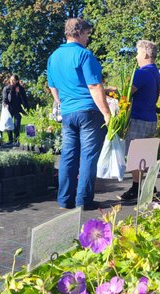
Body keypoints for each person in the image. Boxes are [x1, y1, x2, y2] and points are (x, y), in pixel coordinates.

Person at [47, 18, 111, 210]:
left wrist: (63, 104)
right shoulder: (85, 55)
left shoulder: (54, 57)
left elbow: (52, 87)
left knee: (68, 155)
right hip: (89, 112)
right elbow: (93, 85)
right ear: (80, 32)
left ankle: (64, 200)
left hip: (68, 112)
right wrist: (106, 112)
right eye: (87, 34)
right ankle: (83, 201)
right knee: (88, 156)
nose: (88, 39)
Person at [117, 40, 160, 201]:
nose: (136, 57)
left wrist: (109, 92)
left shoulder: (142, 73)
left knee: (134, 154)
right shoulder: (156, 74)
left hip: (138, 118)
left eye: (137, 53)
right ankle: (151, 187)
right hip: (150, 118)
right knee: (146, 154)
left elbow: (127, 94)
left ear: (145, 54)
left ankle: (136, 188)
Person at [2, 74, 28, 146]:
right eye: (11, 80)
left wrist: (19, 93)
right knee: (9, 124)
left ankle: (16, 140)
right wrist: (5, 103)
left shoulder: (21, 89)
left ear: (17, 81)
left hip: (18, 108)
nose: (12, 81)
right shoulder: (6, 88)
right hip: (9, 108)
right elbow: (4, 98)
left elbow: (24, 100)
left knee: (17, 125)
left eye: (13, 80)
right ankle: (10, 140)